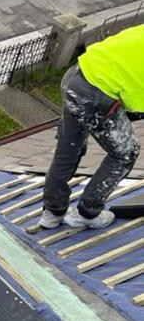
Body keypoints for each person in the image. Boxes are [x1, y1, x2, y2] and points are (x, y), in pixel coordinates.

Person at [40, 24, 143, 230]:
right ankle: (87, 212)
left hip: (77, 77)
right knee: (125, 154)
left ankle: (52, 212)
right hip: (96, 95)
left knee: (69, 147)